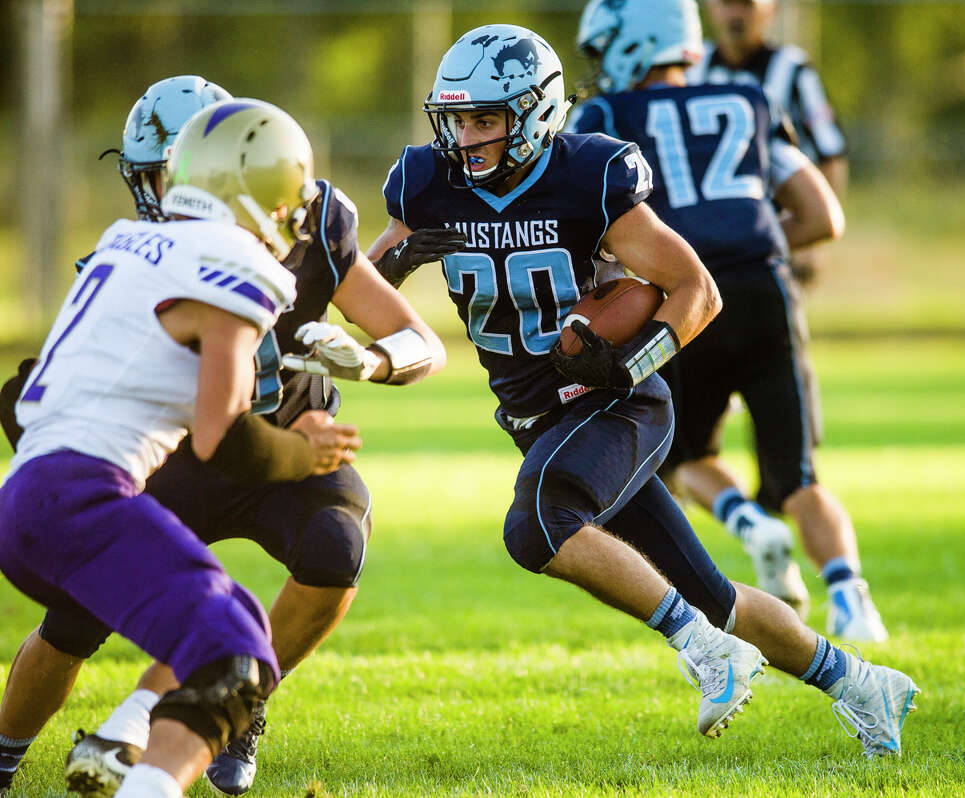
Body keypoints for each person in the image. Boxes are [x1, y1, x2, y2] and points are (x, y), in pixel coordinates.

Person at [368, 21, 918, 756]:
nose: (467, 137)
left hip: (618, 401)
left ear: (533, 114)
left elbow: (695, 287)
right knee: (716, 596)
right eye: (459, 119)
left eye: (486, 119)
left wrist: (630, 365)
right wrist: (394, 269)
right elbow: (364, 285)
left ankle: (704, 651)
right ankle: (861, 683)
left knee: (536, 523)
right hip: (538, 419)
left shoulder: (587, 174)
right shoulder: (428, 183)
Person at [0, 78, 446, 798]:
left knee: (238, 622)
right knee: (227, 653)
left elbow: (21, 396)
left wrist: (366, 361)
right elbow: (223, 436)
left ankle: (134, 739)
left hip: (35, 493)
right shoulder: (237, 261)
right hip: (129, 478)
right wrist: (309, 449)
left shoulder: (124, 245)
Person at [668, 0, 885, 641]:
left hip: (697, 286)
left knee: (682, 456)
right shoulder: (730, 77)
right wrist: (790, 242)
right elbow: (824, 181)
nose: (737, 12)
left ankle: (746, 522)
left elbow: (829, 155)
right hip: (763, 284)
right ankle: (851, 597)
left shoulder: (761, 72)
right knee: (796, 473)